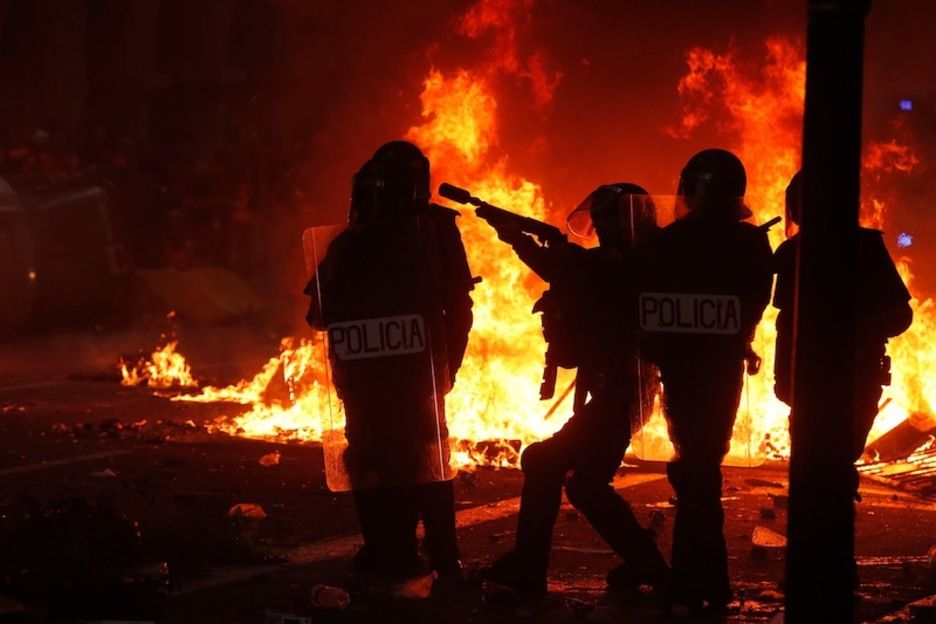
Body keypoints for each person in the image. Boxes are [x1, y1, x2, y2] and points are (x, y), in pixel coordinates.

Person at [480, 183, 671, 597]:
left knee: (543, 461)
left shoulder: (633, 263)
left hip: (621, 393)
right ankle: (650, 569)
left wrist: (517, 239)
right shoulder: (638, 259)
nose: (599, 229)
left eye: (606, 220)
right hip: (620, 391)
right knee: (587, 485)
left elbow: (573, 271)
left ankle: (529, 568)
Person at [304, 140, 475, 583]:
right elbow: (319, 314)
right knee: (368, 459)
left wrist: (446, 366)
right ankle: (386, 549)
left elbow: (458, 306)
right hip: (366, 376)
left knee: (426, 459)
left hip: (413, 373)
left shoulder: (436, 230)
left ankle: (441, 554)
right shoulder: (351, 239)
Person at [640, 149, 774, 614]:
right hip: (715, 368)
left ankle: (697, 580)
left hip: (688, 368)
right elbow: (751, 306)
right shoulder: (750, 243)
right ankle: (705, 580)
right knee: (700, 468)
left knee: (695, 470)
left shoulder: (671, 241)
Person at [773, 169, 913, 499]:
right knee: (821, 460)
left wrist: (851, 327)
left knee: (827, 458)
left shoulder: (857, 248)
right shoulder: (796, 252)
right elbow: (786, 322)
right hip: (828, 377)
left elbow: (900, 314)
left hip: (845, 375)